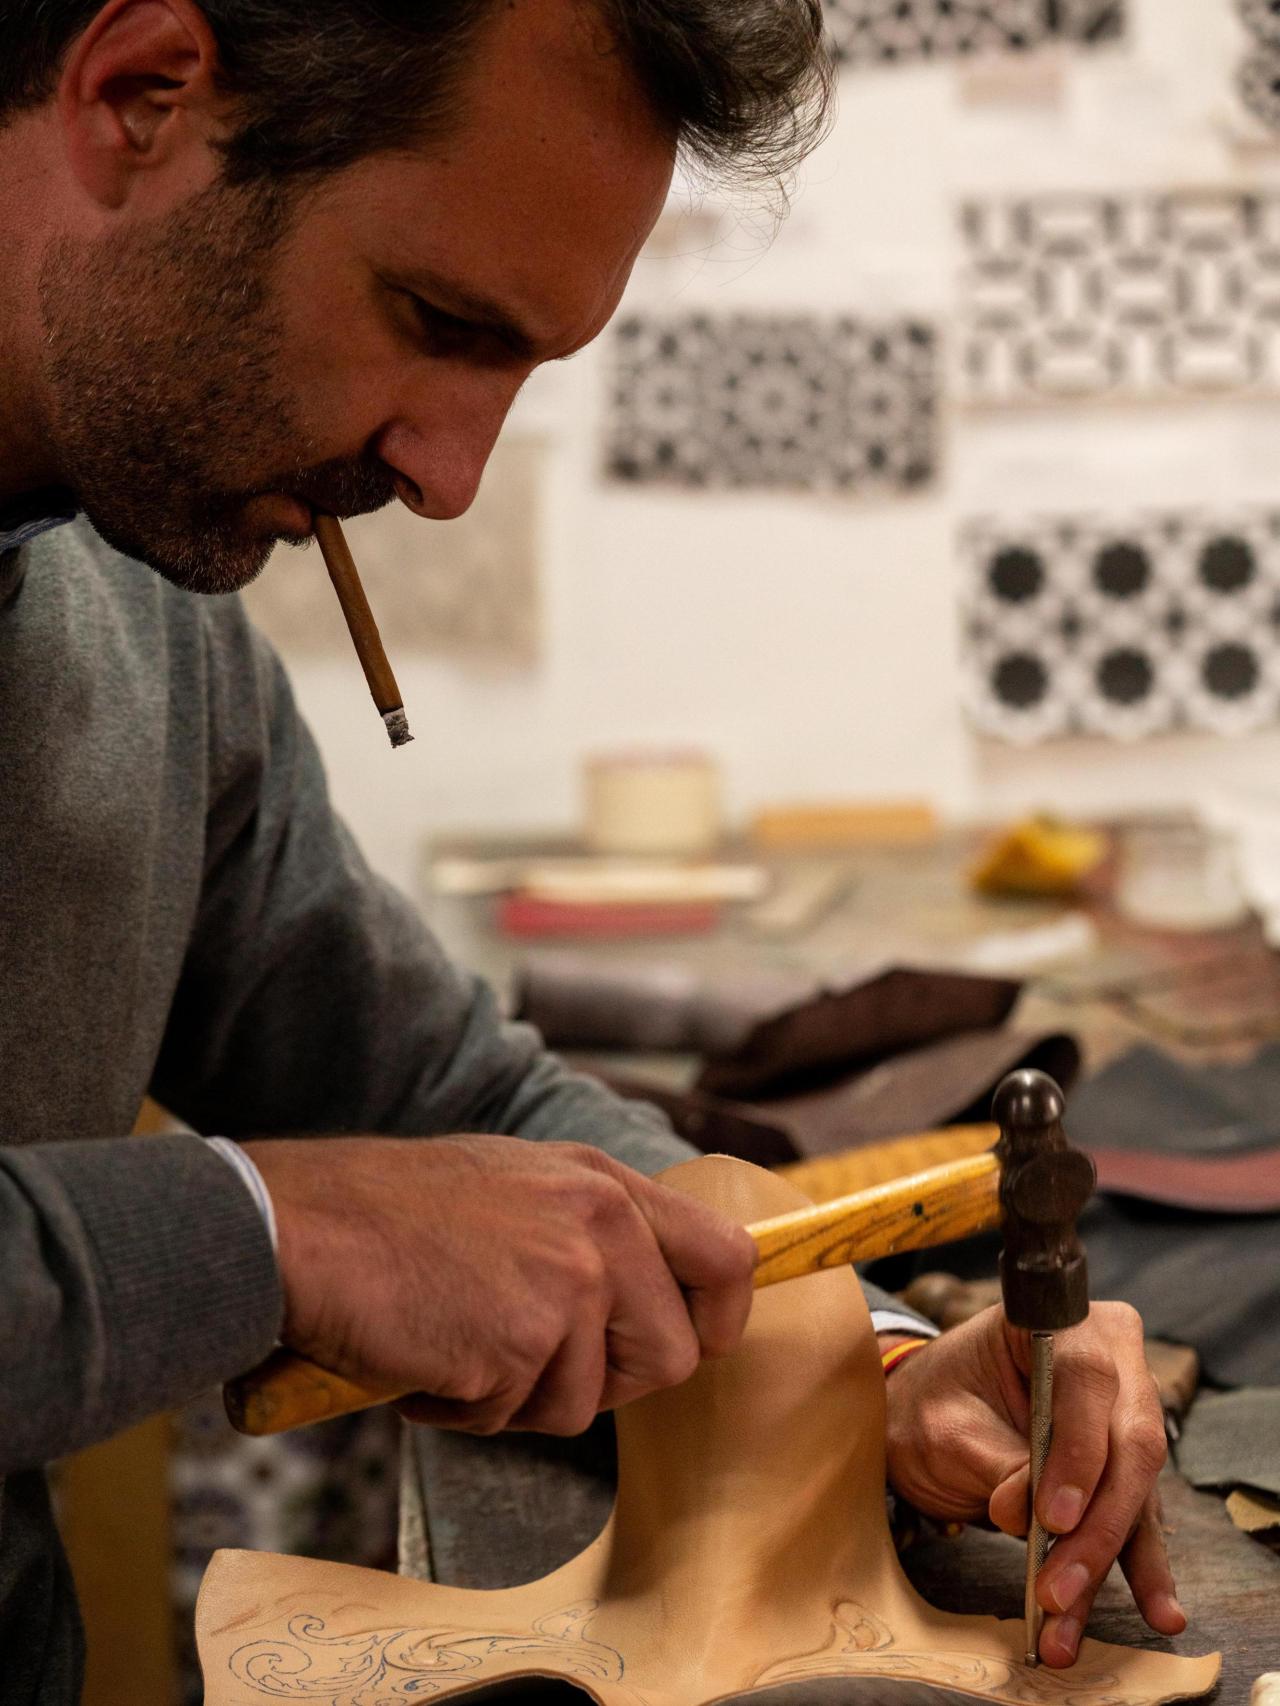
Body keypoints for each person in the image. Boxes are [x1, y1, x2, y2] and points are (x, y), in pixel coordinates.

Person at [0, 0, 1182, 1696]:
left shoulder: (141, 625)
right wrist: (281, 1235)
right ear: (141, 94)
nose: (449, 475)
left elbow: (448, 1099)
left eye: (522, 373)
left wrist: (882, 1353)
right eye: (436, 320)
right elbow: (356, 1194)